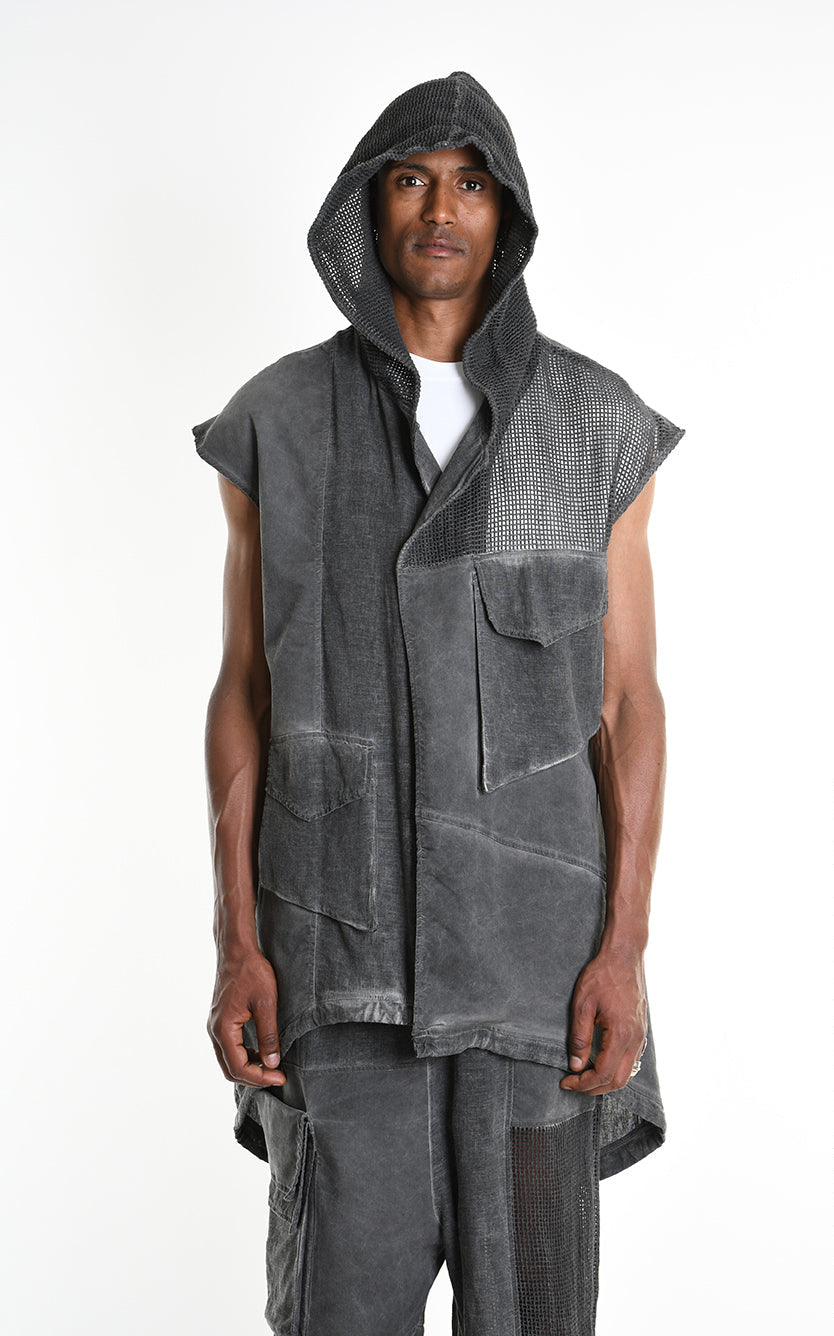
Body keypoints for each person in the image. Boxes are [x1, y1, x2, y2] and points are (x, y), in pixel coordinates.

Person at [194, 70, 685, 1336]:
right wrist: (237, 941)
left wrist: (624, 951)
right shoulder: (277, 421)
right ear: (370, 205)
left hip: (539, 985)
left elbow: (629, 702)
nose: (441, 208)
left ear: (506, 213)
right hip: (337, 974)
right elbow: (243, 686)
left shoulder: (594, 427)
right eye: (413, 179)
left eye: (471, 183)